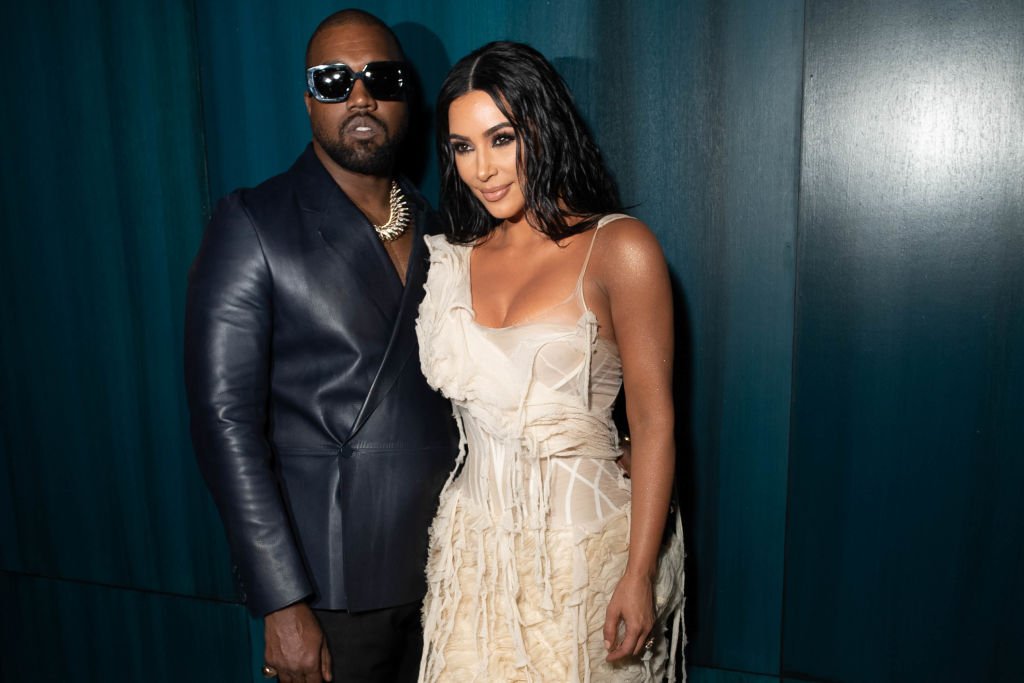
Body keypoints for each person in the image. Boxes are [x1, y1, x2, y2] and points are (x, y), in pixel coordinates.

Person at [184, 9, 457, 683]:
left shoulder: (444, 225)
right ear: (309, 102)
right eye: (334, 80)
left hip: (454, 566)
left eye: (380, 77)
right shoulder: (253, 221)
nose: (359, 96)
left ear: (406, 98)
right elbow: (225, 423)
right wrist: (281, 599)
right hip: (331, 588)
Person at [415, 41, 685, 682]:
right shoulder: (456, 256)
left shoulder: (618, 247)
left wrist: (640, 574)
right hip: (473, 556)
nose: (483, 168)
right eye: (462, 146)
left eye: (501, 138)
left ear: (542, 126)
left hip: (582, 560)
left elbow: (654, 425)